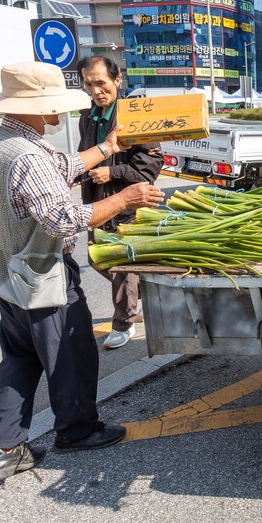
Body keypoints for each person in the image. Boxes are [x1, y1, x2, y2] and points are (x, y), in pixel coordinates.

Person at [0, 61, 164, 482]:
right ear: (37, 107)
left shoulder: (1, 142)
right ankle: (76, 431)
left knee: (20, 359)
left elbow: (63, 166)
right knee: (70, 354)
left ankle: (3, 449)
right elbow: (62, 219)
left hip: (9, 276)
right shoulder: (27, 155)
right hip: (43, 276)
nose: (60, 113)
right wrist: (124, 198)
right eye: (54, 105)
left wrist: (109, 147)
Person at [76, 56, 164, 350]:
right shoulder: (87, 117)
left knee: (123, 267)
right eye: (89, 83)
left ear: (117, 80)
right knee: (96, 258)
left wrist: (112, 171)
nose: (95, 90)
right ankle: (144, 294)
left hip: (130, 204)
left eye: (101, 82)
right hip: (97, 202)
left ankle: (123, 323)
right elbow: (84, 155)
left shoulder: (135, 115)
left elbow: (151, 165)